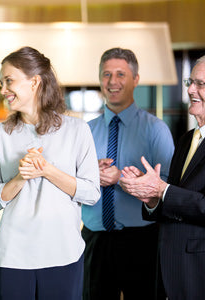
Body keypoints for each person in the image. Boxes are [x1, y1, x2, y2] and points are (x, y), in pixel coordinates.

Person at [0, 46, 100, 300]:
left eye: (9, 81)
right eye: (1, 82)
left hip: (63, 253)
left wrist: (47, 170)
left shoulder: (77, 130)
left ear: (34, 82)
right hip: (12, 256)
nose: (3, 90)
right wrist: (20, 177)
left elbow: (91, 193)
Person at [81, 47, 174, 300]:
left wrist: (121, 178)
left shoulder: (156, 130)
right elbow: (71, 185)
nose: (112, 82)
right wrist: (88, 175)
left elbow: (170, 188)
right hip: (94, 241)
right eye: (106, 74)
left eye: (120, 74)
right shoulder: (84, 132)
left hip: (142, 241)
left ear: (136, 80)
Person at [120, 55, 205, 300]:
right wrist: (150, 197)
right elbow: (173, 202)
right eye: (190, 81)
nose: (190, 89)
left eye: (200, 84)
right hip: (169, 268)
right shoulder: (187, 139)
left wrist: (162, 190)